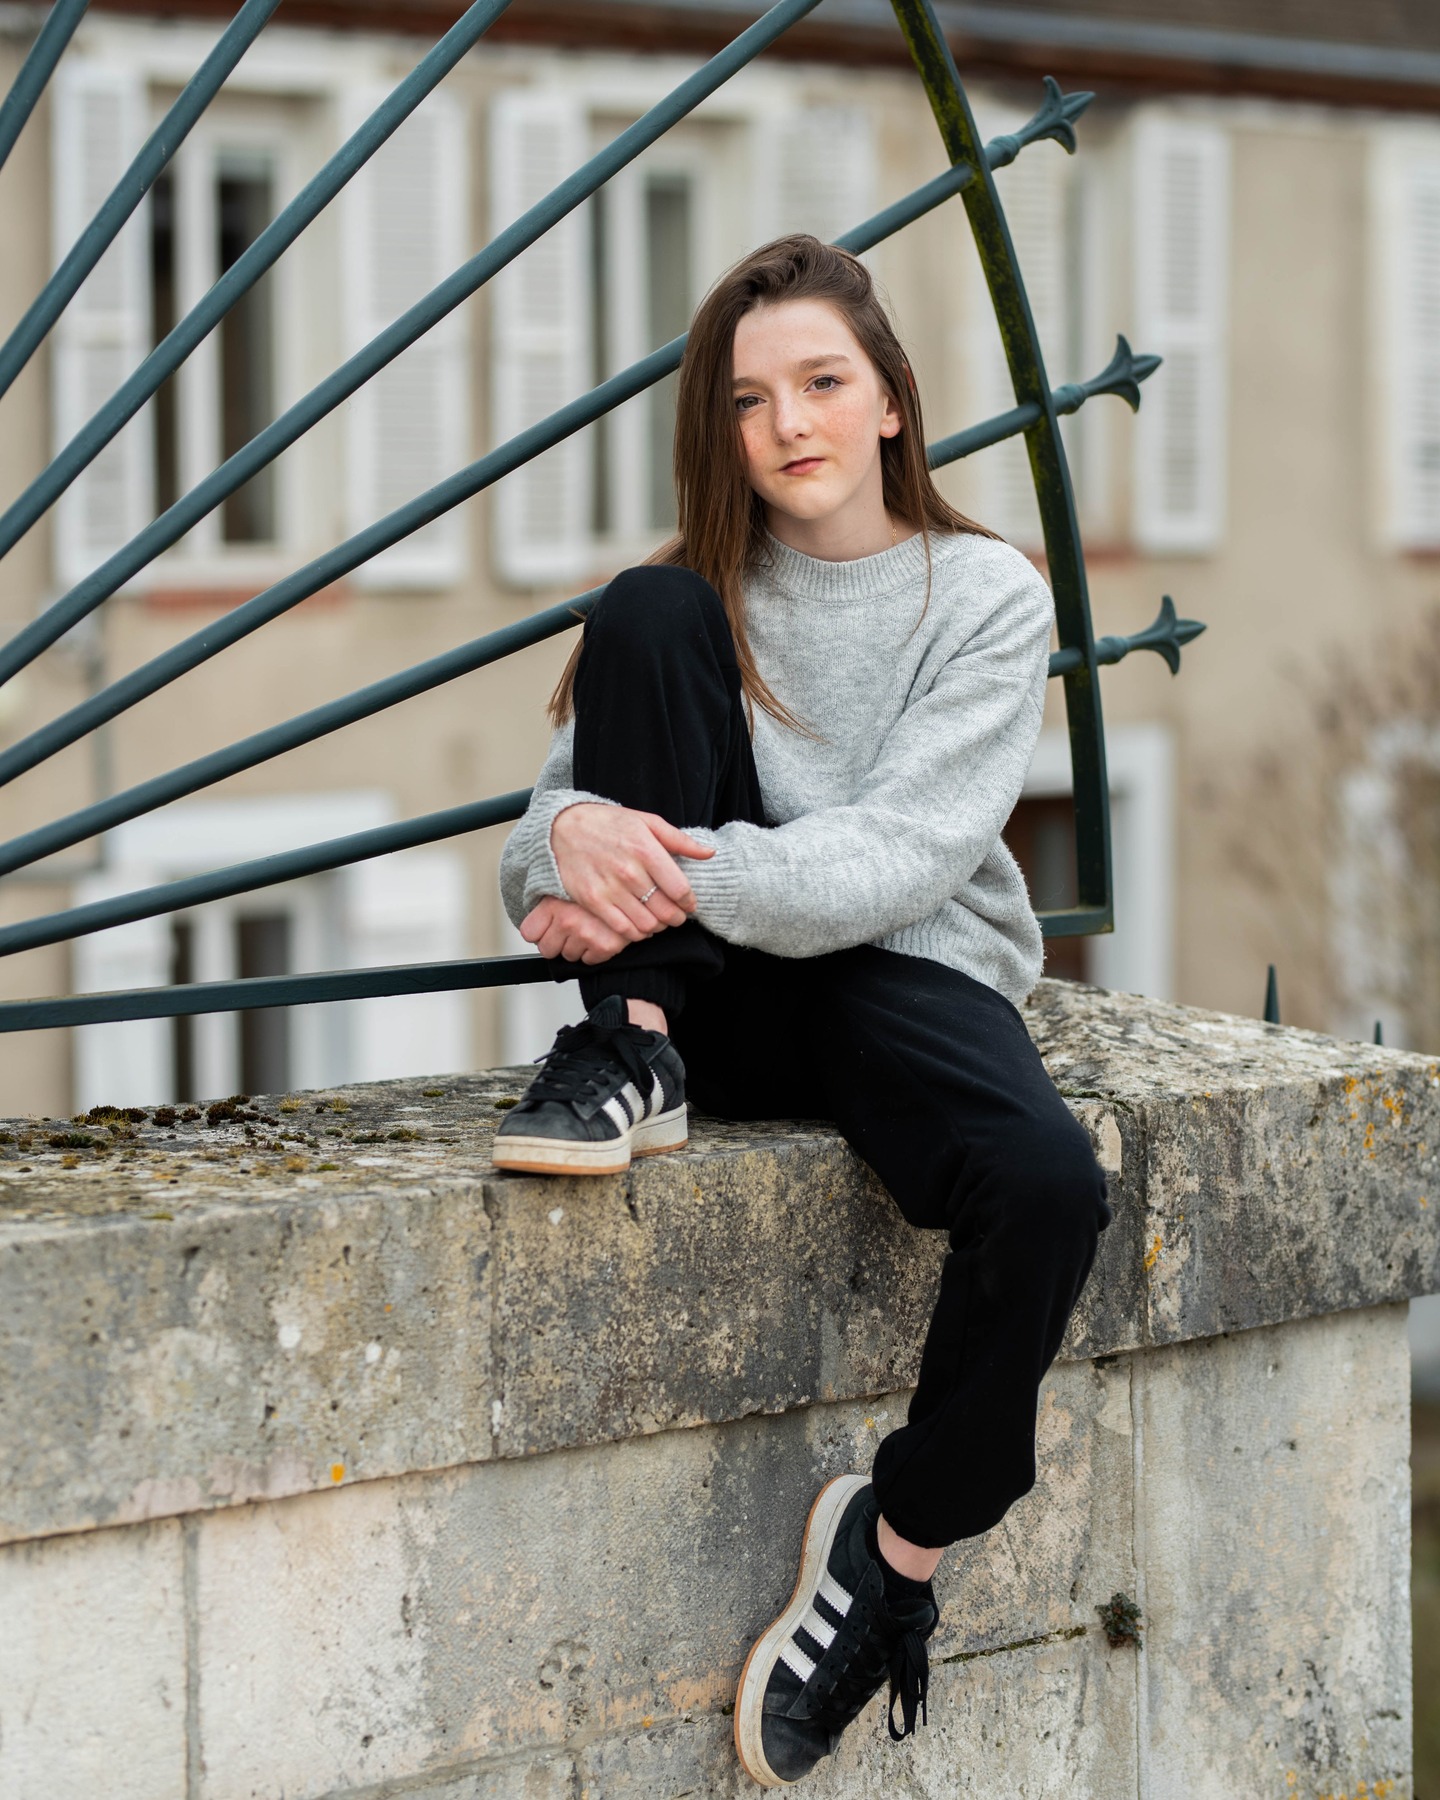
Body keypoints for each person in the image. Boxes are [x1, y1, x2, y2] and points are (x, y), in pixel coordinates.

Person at [494, 234, 1110, 1790]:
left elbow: (902, 853)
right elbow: (547, 824)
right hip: (708, 999)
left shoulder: (981, 594)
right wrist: (564, 851)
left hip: (902, 973)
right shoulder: (693, 601)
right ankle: (629, 1049)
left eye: (824, 383)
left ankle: (892, 1555)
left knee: (1045, 1187)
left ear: (892, 399)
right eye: (752, 400)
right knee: (638, 608)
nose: (790, 426)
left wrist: (647, 881)